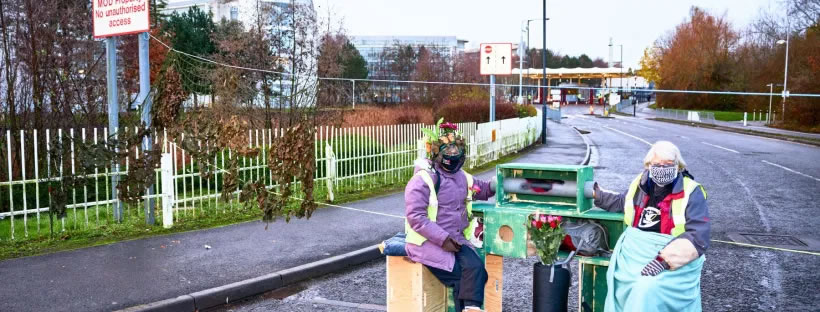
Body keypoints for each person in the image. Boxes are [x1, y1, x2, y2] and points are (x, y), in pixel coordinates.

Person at [594, 141, 710, 312]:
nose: (662, 168)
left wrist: (663, 260)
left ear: (678, 166)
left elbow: (698, 235)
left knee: (646, 288)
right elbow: (621, 202)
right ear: (648, 165)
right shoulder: (640, 184)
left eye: (668, 165)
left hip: (672, 261)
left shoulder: (692, 191)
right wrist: (595, 194)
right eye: (657, 165)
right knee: (617, 279)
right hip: (635, 256)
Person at [404, 122, 496, 312]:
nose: (454, 155)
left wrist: (500, 182)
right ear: (437, 152)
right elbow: (415, 216)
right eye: (449, 150)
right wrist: (442, 238)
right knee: (461, 275)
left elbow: (483, 188)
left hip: (455, 240)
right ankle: (470, 308)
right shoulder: (423, 179)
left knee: (477, 270)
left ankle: (470, 308)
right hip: (426, 242)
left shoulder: (462, 176)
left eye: (457, 150)